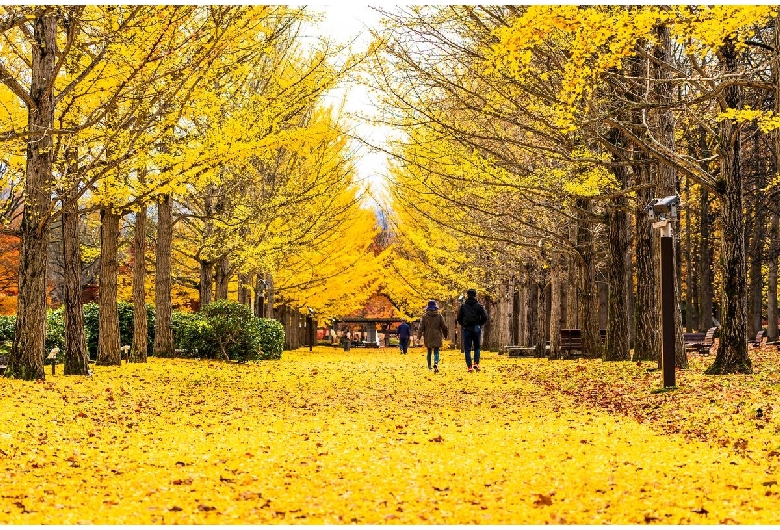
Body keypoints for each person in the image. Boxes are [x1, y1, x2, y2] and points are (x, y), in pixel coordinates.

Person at [457, 288, 488, 372]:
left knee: (467, 348)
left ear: (467, 295)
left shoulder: (463, 306)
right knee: (477, 347)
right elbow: (485, 317)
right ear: (475, 295)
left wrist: (463, 324)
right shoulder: (479, 306)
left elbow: (459, 318)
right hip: (476, 327)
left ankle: (469, 367)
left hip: (467, 328)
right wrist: (480, 323)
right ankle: (476, 364)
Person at [417, 300, 448, 373]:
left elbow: (421, 328)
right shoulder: (439, 316)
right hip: (437, 335)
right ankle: (436, 363)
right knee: (436, 351)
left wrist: (418, 337)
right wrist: (445, 335)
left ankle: (429, 367)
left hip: (428, 336)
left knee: (429, 351)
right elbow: (444, 327)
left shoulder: (424, 316)